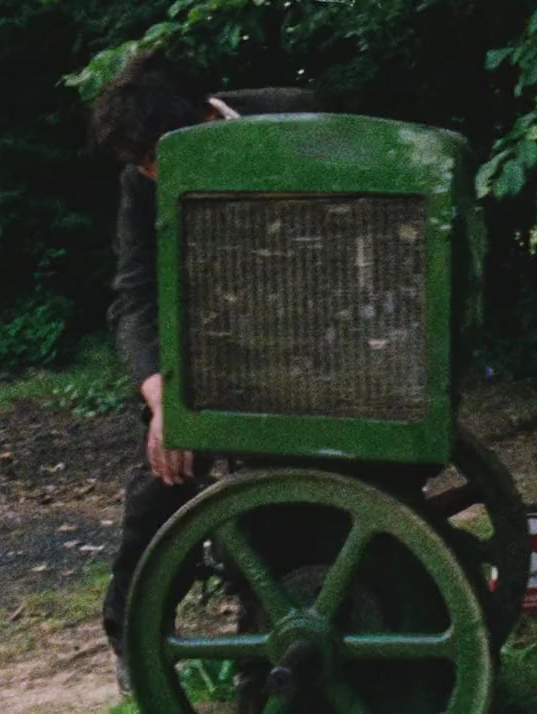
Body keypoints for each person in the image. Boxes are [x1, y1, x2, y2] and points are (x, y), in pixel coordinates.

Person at [89, 48, 323, 697]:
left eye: (153, 158)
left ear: (201, 121)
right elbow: (135, 294)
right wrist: (165, 397)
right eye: (138, 164)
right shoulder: (142, 181)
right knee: (163, 478)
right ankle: (134, 636)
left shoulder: (300, 120)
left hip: (315, 342)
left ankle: (267, 652)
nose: (149, 174)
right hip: (210, 347)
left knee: (283, 513)